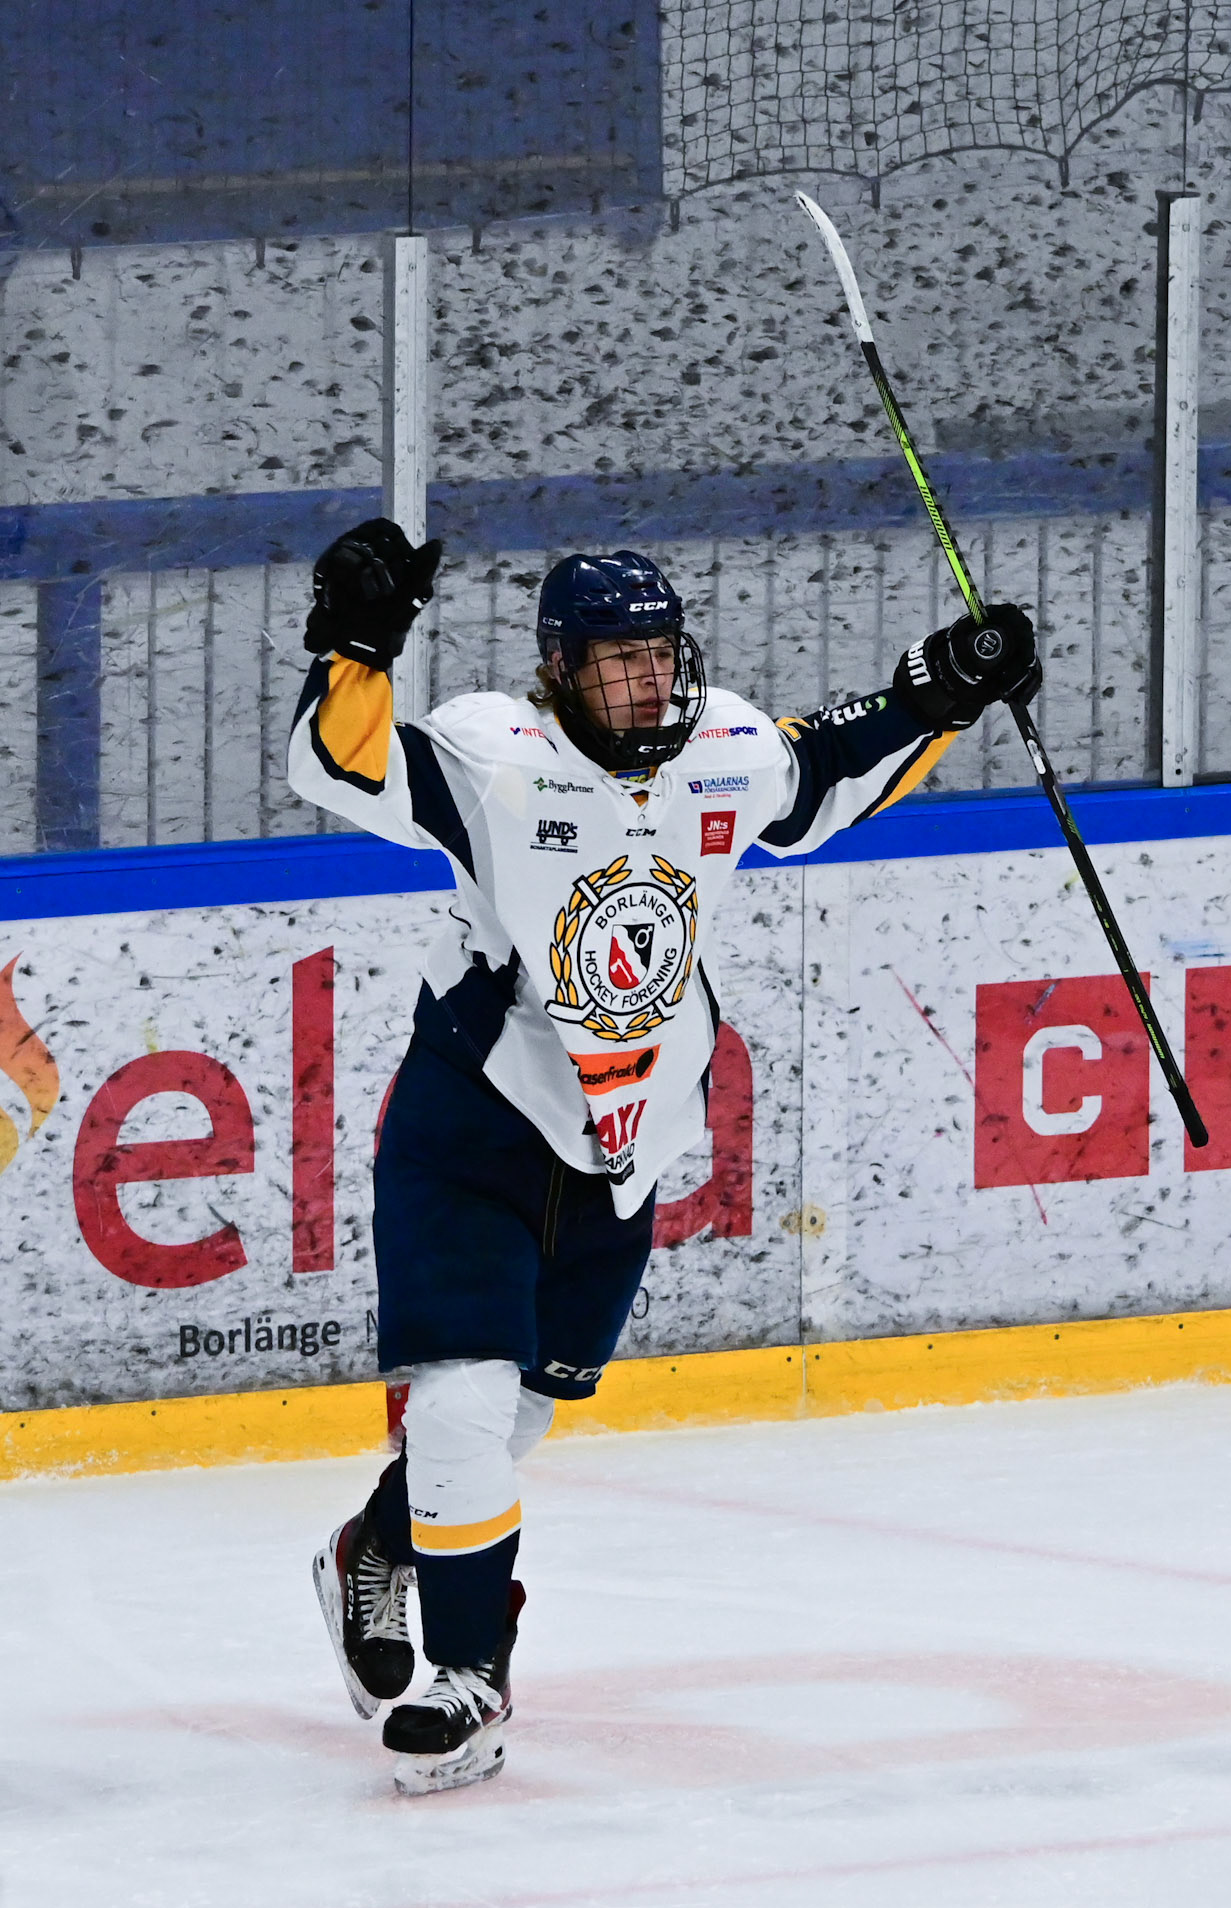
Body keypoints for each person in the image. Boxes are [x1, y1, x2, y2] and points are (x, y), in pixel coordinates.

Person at [290, 518, 1039, 1794]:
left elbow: (825, 772)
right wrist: (357, 645)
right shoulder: (494, 756)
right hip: (474, 1121)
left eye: (660, 655)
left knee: (516, 1417)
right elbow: (343, 768)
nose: (648, 682)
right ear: (559, 670)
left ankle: (378, 1540)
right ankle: (470, 1678)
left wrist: (948, 685)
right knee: (463, 1401)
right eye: (617, 661)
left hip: (626, 1141)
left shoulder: (722, 750)